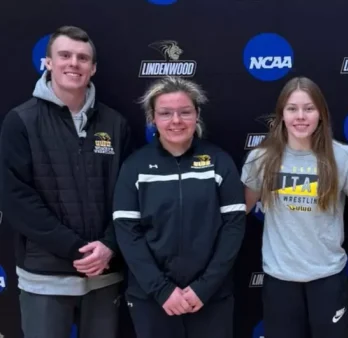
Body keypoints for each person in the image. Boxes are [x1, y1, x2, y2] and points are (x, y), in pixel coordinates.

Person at [0, 26, 132, 338]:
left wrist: (109, 246)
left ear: (93, 68)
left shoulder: (116, 124)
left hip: (104, 274)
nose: (74, 63)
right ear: (47, 62)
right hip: (44, 275)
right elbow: (16, 199)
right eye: (65, 55)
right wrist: (75, 249)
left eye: (83, 57)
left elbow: (128, 197)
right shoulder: (20, 121)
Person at [241, 76, 348, 338]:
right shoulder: (261, 158)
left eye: (309, 108)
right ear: (281, 114)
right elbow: (240, 211)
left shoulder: (341, 156)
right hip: (280, 279)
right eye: (292, 108)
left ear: (321, 113)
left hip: (327, 277)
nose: (301, 116)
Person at [112, 76, 246, 338]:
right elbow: (128, 233)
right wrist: (162, 290)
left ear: (197, 115)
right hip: (152, 299)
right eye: (165, 113)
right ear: (152, 118)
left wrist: (204, 288)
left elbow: (233, 227)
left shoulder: (219, 161)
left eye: (185, 112)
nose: (176, 120)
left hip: (210, 298)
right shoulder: (134, 167)